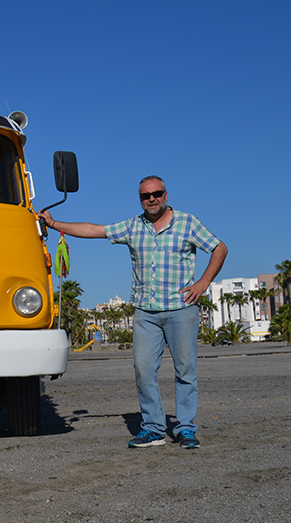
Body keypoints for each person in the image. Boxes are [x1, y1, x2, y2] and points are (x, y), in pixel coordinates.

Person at [39, 176, 227, 449]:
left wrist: (204, 283)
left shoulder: (187, 222)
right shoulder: (132, 226)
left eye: (157, 193)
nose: (151, 199)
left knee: (186, 371)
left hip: (181, 309)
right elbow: (94, 230)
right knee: (143, 370)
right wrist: (55, 224)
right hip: (145, 313)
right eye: (145, 196)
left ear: (165, 195)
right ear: (140, 199)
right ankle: (153, 429)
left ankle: (185, 428)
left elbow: (219, 248)